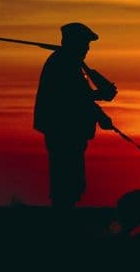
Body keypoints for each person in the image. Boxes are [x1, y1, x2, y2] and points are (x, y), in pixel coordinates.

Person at [33, 22, 117, 211]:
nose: (87, 48)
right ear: (73, 43)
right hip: (64, 133)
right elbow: (73, 97)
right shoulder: (63, 64)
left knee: (72, 184)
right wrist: (100, 99)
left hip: (69, 133)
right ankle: (63, 228)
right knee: (66, 185)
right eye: (85, 43)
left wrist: (100, 114)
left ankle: (64, 223)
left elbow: (81, 98)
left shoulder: (71, 64)